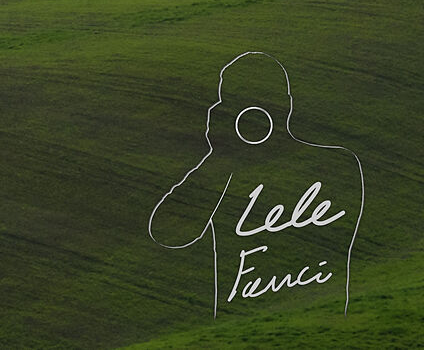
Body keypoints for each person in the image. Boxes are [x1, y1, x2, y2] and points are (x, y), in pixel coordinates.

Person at [149, 51, 363, 316]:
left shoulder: (339, 165)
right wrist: (218, 157)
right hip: (250, 328)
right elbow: (169, 234)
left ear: (286, 107)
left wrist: (219, 157)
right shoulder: (225, 174)